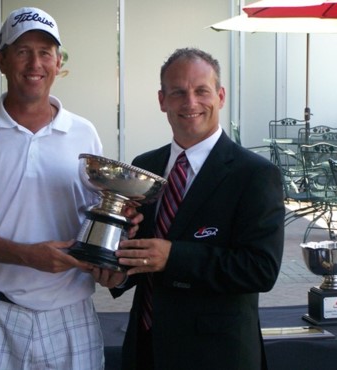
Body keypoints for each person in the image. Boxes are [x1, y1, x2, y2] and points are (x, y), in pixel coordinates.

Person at [0, 6, 138, 370]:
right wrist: (27, 254)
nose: (35, 63)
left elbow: (94, 221)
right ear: (1, 60)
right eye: (22, 50)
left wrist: (113, 252)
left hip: (70, 316)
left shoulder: (83, 133)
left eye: (45, 52)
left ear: (58, 62)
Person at [111, 48, 285, 370]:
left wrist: (173, 257)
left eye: (201, 90)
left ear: (220, 96)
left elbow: (261, 268)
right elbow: (140, 248)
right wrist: (116, 273)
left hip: (216, 354)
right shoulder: (144, 166)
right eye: (178, 92)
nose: (190, 102)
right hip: (146, 347)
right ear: (162, 100)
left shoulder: (255, 174)